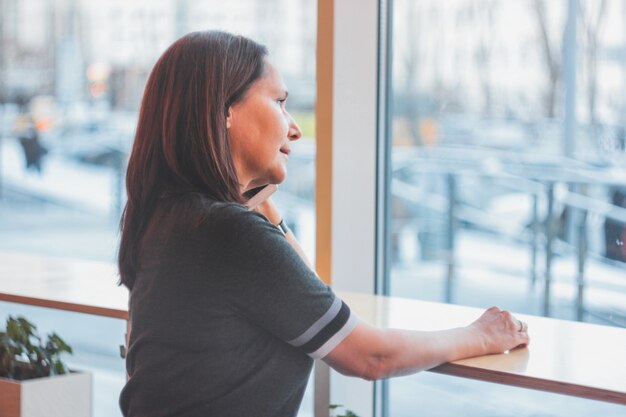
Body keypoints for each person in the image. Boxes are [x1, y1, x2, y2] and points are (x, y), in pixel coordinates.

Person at [118, 31, 529, 417]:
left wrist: (256, 199)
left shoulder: (167, 218)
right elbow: (371, 357)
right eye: (279, 101)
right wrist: (481, 334)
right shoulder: (230, 234)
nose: (294, 128)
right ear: (225, 110)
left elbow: (309, 300)